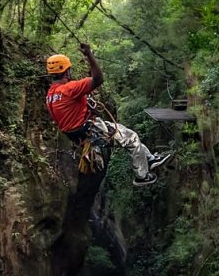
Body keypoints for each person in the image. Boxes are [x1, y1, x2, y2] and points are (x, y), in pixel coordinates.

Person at [45, 44, 171, 185]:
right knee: (131, 138)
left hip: (79, 134)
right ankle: (142, 175)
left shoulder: (51, 95)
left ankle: (150, 159)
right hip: (91, 130)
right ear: (67, 71)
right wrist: (89, 56)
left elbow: (70, 111)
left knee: (125, 132)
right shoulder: (70, 88)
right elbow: (98, 79)